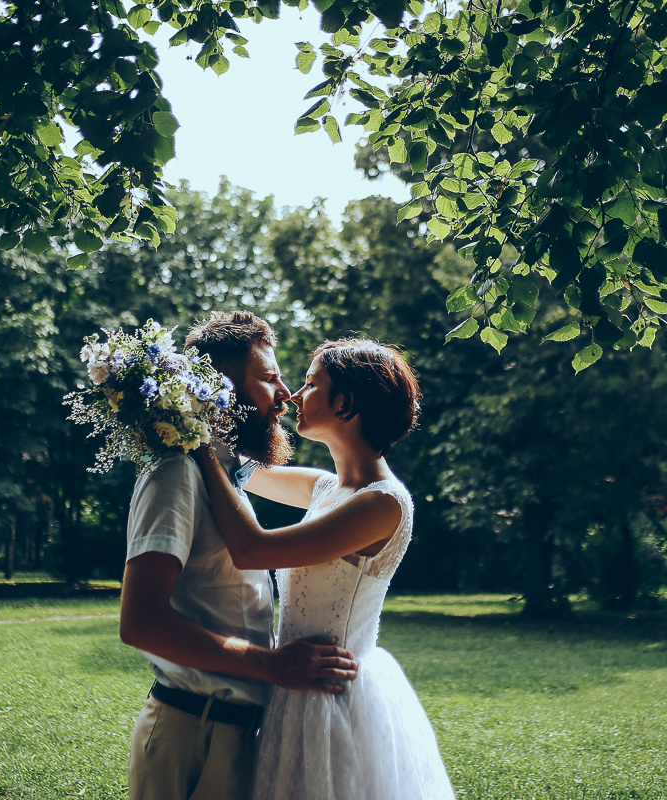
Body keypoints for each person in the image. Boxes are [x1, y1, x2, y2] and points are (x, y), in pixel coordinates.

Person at [193, 338, 456, 800]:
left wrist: (194, 444)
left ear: (345, 403)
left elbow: (251, 550)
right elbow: (244, 472)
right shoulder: (327, 487)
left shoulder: (383, 504)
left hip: (332, 695)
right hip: (292, 681)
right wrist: (194, 407)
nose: (293, 394)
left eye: (311, 383)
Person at [119, 311, 359, 800]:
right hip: (191, 736)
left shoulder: (229, 480)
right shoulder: (175, 474)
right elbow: (140, 622)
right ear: (222, 388)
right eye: (269, 378)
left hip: (236, 733)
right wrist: (271, 664)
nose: (285, 393)